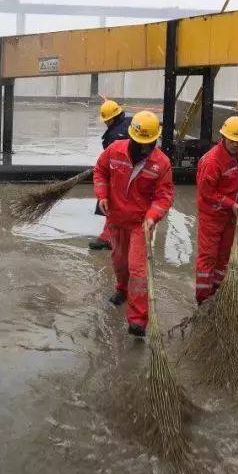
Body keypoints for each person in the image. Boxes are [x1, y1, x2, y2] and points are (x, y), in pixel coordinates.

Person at [93, 110, 174, 337]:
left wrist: (152, 217)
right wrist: (102, 195)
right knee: (119, 261)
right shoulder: (115, 150)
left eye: (150, 142)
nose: (145, 147)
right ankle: (121, 289)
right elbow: (99, 171)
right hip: (116, 218)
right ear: (132, 137)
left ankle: (138, 319)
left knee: (137, 270)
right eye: (141, 142)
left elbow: (164, 196)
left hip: (141, 223)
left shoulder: (161, 163)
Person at [195, 115, 238, 305]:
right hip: (212, 214)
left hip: (231, 213)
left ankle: (218, 288)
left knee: (224, 254)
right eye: (232, 141)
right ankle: (203, 299)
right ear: (223, 137)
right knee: (208, 256)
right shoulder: (212, 162)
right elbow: (206, 192)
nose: (236, 145)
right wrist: (230, 203)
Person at [89, 100, 132, 250]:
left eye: (106, 120)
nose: (105, 123)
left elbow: (116, 156)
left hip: (120, 174)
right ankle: (112, 236)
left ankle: (109, 238)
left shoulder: (115, 135)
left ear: (112, 118)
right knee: (117, 205)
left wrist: (106, 169)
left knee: (111, 204)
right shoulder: (128, 122)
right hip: (130, 172)